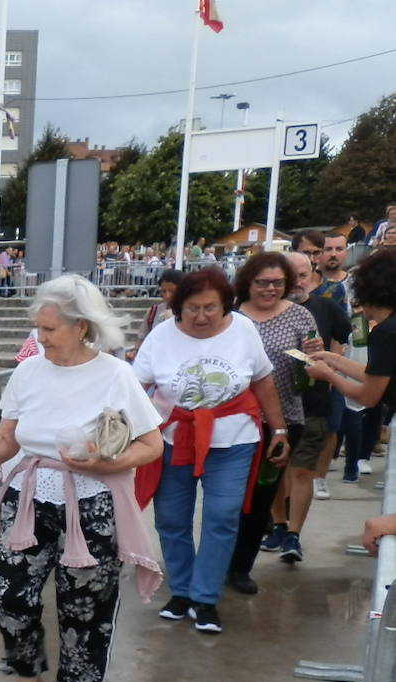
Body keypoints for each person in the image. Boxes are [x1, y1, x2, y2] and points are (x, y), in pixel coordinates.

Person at [0, 276, 163, 682]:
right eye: (37, 328)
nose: (39, 338)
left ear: (82, 327)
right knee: (9, 601)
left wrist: (107, 460)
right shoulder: (29, 372)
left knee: (83, 609)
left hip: (91, 506)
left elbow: (150, 446)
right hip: (30, 499)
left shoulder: (115, 374)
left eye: (49, 330)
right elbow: (6, 440)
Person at [133, 266, 290, 631]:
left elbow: (263, 379)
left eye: (210, 308)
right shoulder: (161, 336)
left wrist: (278, 428)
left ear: (226, 306)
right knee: (171, 517)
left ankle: (205, 598)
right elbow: (134, 386)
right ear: (178, 306)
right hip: (175, 437)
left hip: (234, 438)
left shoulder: (243, 330)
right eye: (192, 308)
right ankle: (182, 590)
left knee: (222, 514)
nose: (201, 316)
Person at [229, 253, 320, 575]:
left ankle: (240, 568)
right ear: (248, 283)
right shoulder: (232, 316)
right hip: (235, 421)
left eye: (277, 283)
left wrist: (312, 361)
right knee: (229, 499)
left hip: (284, 421)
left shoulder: (300, 317)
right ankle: (218, 560)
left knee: (259, 498)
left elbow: (310, 375)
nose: (269, 289)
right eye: (262, 283)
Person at [308, 251, 396, 468]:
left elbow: (367, 396)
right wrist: (334, 359)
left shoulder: (385, 332)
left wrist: (328, 375)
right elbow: (377, 374)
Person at [281, 251, 349, 524]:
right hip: (273, 406)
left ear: (312, 276)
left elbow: (349, 337)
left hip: (313, 403)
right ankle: (277, 524)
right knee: (276, 472)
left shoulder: (326, 307)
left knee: (300, 471)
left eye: (303, 275)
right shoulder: (262, 310)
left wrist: (331, 365)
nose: (297, 282)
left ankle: (292, 535)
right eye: (291, 276)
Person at [134, 270, 184, 358]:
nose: (167, 295)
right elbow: (142, 338)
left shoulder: (188, 313)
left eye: (172, 291)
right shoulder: (153, 311)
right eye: (164, 291)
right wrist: (135, 352)